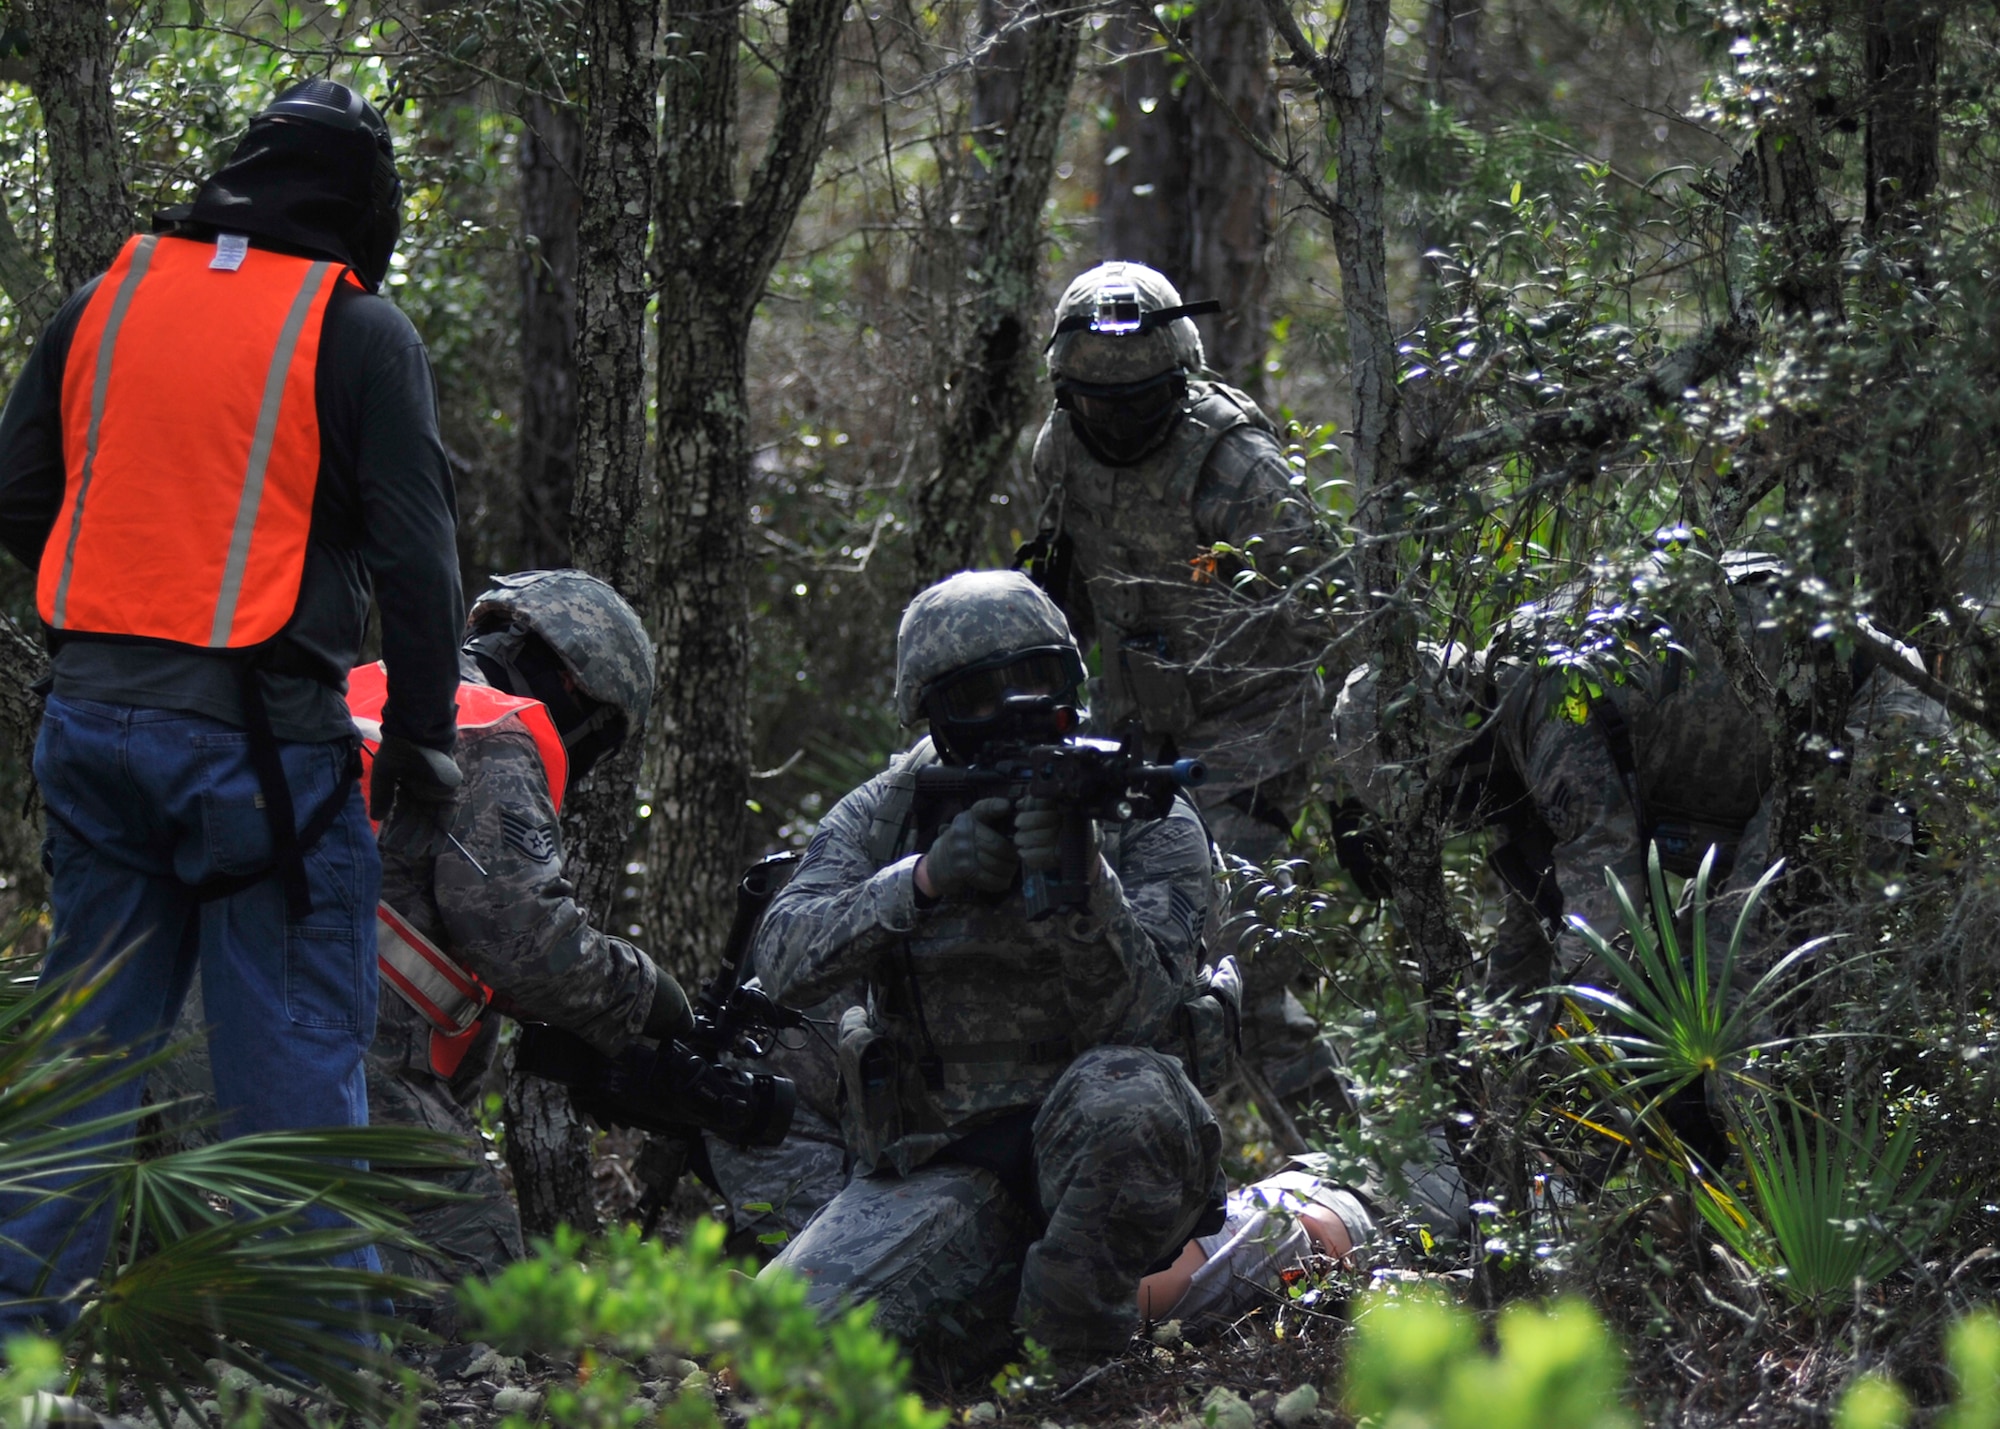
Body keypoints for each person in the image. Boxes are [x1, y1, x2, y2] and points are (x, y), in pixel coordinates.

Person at [0, 79, 463, 1331]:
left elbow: (17, 492)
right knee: (296, 1063)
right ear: (365, 206)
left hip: (88, 722)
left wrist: (114, 605)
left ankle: (18, 1350)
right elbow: (420, 562)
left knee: (87, 1050)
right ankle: (316, 1366)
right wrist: (423, 736)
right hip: (261, 753)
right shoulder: (358, 331)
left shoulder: (110, 296)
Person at [754, 570, 1227, 1377]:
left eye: (1035, 679)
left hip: (1097, 1160)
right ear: (934, 713)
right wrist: (922, 880)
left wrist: (1090, 887)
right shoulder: (889, 809)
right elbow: (781, 957)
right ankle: (992, 1319)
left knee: (1132, 1098)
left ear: (1069, 684)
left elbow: (1153, 1024)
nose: (1014, 707)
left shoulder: (1141, 813)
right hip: (947, 1160)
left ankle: (1066, 1357)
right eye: (980, 694)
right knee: (781, 1349)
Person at [1331, 556, 1949, 998]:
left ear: (1457, 742)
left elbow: (1602, 922)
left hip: (1874, 722)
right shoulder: (1512, 707)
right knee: (1700, 966)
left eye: (1445, 799)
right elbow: (1540, 922)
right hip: (1808, 746)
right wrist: (1495, 1049)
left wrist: (1564, 1070)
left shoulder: (1549, 712)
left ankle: (1743, 1156)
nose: (1457, 820)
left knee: (1721, 974)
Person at [1026, 260, 1341, 1124]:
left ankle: (1343, 1168)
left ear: (1180, 383)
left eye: (1137, 403)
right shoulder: (1056, 452)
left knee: (1234, 951)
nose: (1115, 421)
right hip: (1138, 736)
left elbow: (1339, 619)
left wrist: (1355, 787)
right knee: (1109, 944)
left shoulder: (1237, 467)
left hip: (1251, 733)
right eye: (1097, 403)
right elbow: (1070, 604)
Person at [355, 570, 693, 1305]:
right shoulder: (493, 728)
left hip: (234, 1015)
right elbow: (526, 940)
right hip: (342, 1053)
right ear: (575, 686)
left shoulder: (368, 685)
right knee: (487, 1310)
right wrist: (644, 993)